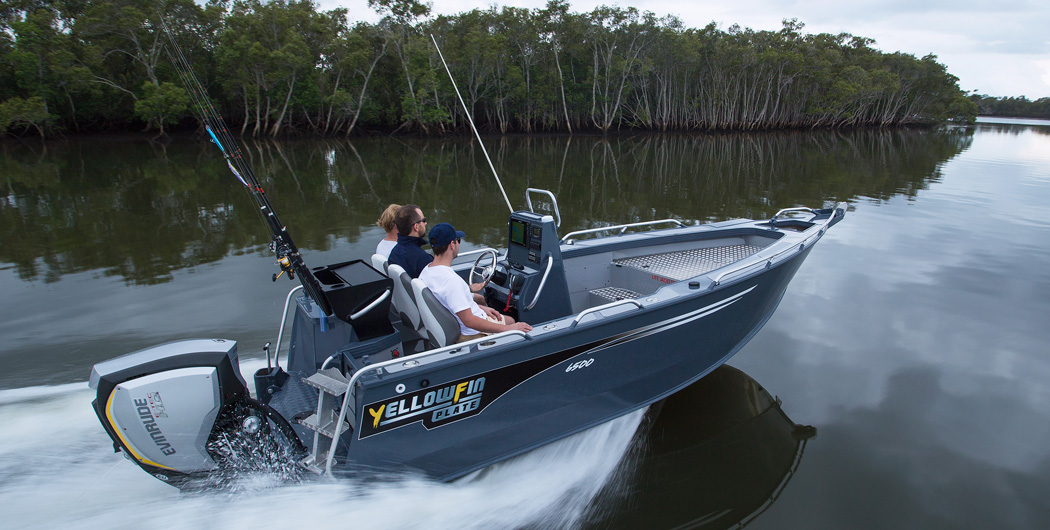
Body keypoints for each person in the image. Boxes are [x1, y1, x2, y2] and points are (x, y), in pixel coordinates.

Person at [420, 223, 531, 342]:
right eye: (458, 240)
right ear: (452, 244)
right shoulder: (451, 281)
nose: (458, 244)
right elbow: (469, 321)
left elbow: (448, 304)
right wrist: (508, 328)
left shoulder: (426, 271)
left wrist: (480, 308)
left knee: (505, 319)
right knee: (512, 321)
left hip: (461, 321)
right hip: (472, 333)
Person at [387, 204, 433, 278]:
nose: (426, 223)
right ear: (416, 227)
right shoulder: (424, 260)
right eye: (424, 220)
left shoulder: (394, 253)